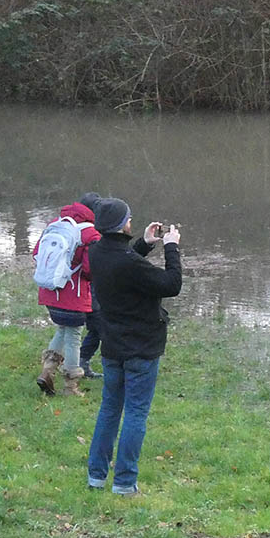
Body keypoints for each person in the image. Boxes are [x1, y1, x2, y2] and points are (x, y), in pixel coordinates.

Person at [86, 198, 182, 495]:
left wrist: (145, 242)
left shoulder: (97, 252)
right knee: (136, 413)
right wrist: (171, 246)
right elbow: (171, 284)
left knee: (110, 409)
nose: (131, 222)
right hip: (141, 347)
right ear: (121, 225)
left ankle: (96, 477)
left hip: (112, 346)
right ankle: (125, 482)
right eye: (129, 219)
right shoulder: (128, 262)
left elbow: (124, 264)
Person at [33, 195, 102, 396]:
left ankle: (47, 372)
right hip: (74, 294)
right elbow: (90, 270)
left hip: (49, 291)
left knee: (63, 328)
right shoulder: (90, 233)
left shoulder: (56, 223)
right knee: (73, 336)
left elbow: (36, 253)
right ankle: (71, 386)